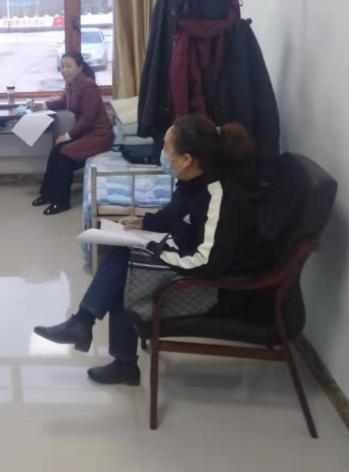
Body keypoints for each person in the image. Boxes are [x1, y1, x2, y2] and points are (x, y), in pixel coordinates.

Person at [33, 115, 271, 385]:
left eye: (166, 148)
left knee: (127, 269)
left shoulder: (220, 195)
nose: (162, 154)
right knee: (122, 252)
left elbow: (207, 262)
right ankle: (90, 330)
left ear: (186, 159)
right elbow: (175, 214)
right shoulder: (194, 181)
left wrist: (153, 248)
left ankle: (98, 338)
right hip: (193, 262)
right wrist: (146, 223)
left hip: (215, 289)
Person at [31, 51, 113, 215]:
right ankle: (47, 194)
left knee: (64, 155)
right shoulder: (71, 83)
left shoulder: (89, 86)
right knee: (55, 151)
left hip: (99, 135)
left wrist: (67, 136)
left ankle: (62, 202)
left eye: (68, 66)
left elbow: (88, 119)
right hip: (85, 133)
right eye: (62, 66)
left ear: (80, 67)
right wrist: (43, 105)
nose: (64, 70)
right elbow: (64, 101)